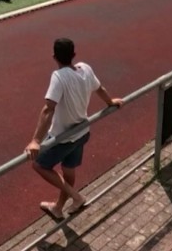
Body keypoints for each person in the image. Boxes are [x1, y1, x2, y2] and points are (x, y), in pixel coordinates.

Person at [25, 38, 123, 221]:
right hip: (82, 133)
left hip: (63, 138)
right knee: (68, 171)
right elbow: (99, 88)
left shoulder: (59, 76)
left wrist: (36, 141)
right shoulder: (85, 68)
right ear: (74, 55)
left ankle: (76, 197)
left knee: (38, 164)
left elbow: (48, 108)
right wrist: (111, 102)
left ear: (54, 57)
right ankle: (58, 208)